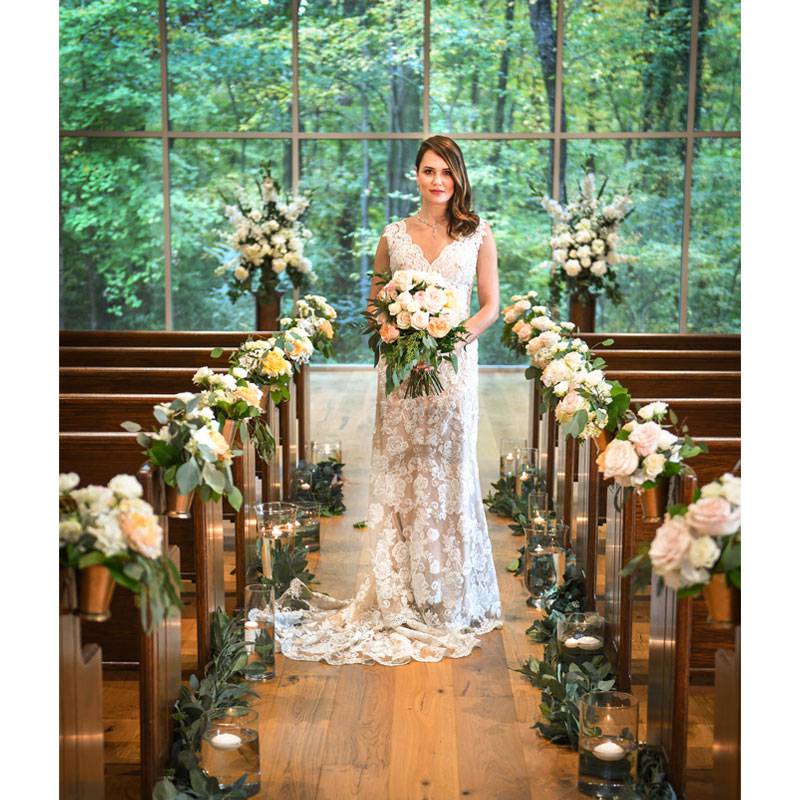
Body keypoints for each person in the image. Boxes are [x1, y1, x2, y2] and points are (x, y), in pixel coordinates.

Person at [278, 135, 502, 665]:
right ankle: (398, 589)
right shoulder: (393, 236)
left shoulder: (477, 234)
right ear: (416, 176)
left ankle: (446, 595)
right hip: (400, 373)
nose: (437, 181)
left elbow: (490, 305)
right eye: (428, 171)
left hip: (453, 370)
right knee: (403, 474)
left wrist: (448, 343)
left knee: (447, 472)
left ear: (459, 176)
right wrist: (400, 338)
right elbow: (377, 306)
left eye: (446, 172)